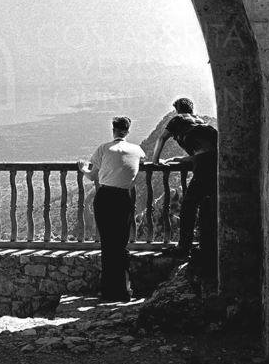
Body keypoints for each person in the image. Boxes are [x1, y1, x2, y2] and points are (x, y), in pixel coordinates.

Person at [78, 116, 145, 302]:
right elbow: (138, 164)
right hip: (124, 198)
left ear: (113, 130)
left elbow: (92, 176)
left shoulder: (103, 148)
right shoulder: (137, 150)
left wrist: (83, 168)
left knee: (108, 244)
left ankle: (108, 291)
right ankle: (125, 290)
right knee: (121, 244)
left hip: (105, 198)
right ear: (128, 131)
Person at [153, 97, 218, 265]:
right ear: (192, 108)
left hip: (203, 166)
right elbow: (203, 151)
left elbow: (161, 138)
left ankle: (183, 248)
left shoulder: (178, 119)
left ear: (177, 109)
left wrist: (155, 161)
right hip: (216, 162)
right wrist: (180, 159)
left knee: (188, 206)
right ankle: (207, 247)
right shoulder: (201, 122)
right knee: (207, 206)